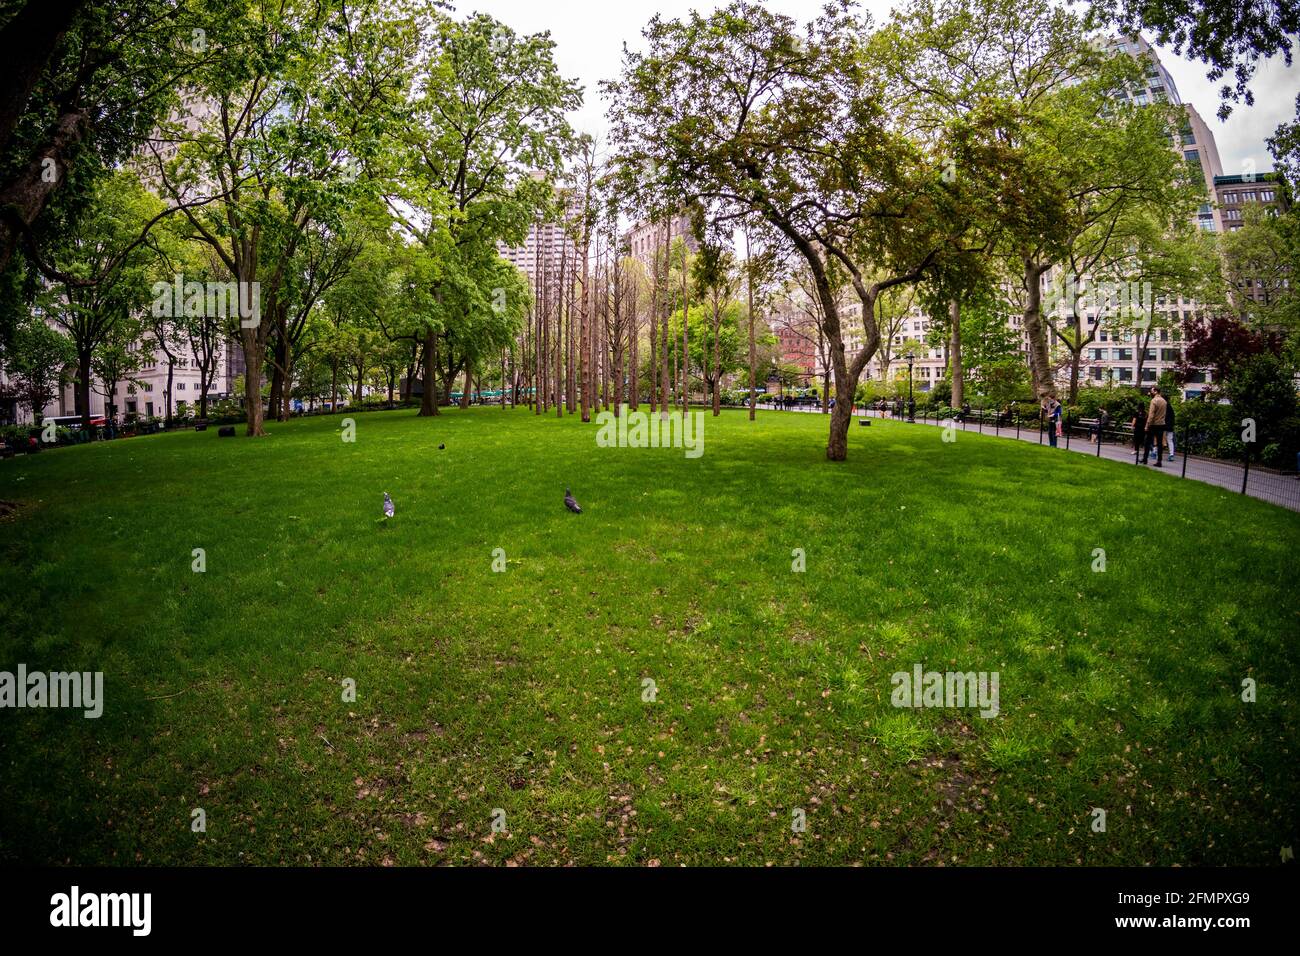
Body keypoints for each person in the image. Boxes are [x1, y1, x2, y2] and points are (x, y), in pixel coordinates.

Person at [1144, 387, 1167, 467]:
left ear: (1156, 391)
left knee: (1147, 442)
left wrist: (1147, 425)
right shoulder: (1164, 401)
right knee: (1159, 443)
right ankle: (1159, 461)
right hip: (1161, 424)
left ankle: (1145, 459)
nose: (1150, 393)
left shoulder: (1154, 401)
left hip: (1153, 424)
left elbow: (1151, 415)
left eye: (1152, 391)